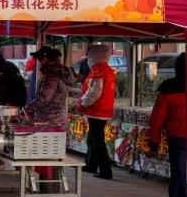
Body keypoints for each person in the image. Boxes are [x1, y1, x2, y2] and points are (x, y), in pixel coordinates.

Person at [149, 52, 187, 197]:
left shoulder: (168, 88)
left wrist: (154, 139)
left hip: (178, 137)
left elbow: (157, 118)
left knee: (179, 173)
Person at [78, 44, 116, 180]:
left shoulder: (97, 70)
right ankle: (91, 165)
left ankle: (105, 171)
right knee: (93, 139)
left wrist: (83, 104)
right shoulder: (107, 69)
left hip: (96, 110)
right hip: (103, 110)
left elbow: (94, 92)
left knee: (97, 141)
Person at [19, 47, 73, 126]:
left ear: (44, 60)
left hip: (51, 120)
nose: (39, 63)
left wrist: (23, 112)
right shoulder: (56, 73)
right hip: (56, 117)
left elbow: (43, 99)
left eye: (39, 60)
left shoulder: (51, 76)